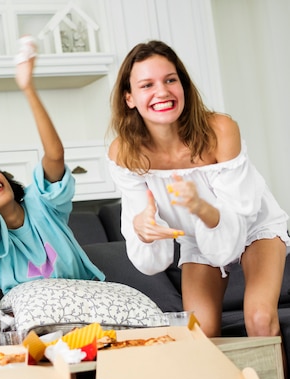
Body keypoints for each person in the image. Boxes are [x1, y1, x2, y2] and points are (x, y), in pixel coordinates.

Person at [106, 40, 290, 338]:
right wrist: (142, 227)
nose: (162, 91)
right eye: (147, 85)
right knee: (200, 333)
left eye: (170, 80)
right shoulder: (124, 152)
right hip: (197, 237)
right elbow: (147, 237)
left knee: (259, 317)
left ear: (183, 87)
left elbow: (238, 215)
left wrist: (201, 207)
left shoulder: (220, 130)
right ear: (129, 98)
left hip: (254, 224)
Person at [0, 37, 105, 295]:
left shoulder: (42, 203)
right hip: (32, 316)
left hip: (88, 297)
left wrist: (28, 88)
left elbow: (54, 155)